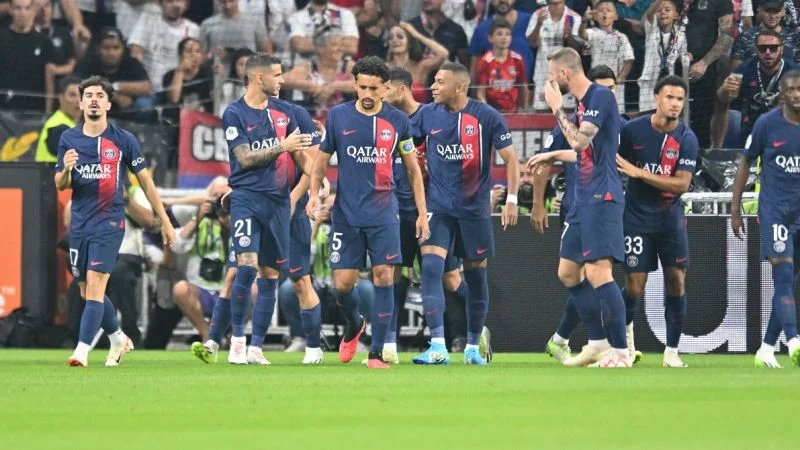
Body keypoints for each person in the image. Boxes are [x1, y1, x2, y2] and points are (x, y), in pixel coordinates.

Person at [306, 56, 429, 369]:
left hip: (384, 213)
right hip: (347, 214)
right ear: (355, 84)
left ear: (386, 88)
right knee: (342, 284)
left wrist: (422, 212)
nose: (367, 94)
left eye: (374, 88)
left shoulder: (399, 122)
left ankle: (376, 353)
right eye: (362, 87)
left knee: (385, 274)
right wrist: (313, 195)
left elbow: (413, 170)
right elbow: (321, 161)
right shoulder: (338, 116)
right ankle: (355, 323)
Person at [56, 75, 176, 367]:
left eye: (100, 96)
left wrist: (164, 221)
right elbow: (60, 184)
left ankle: (82, 350)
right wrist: (67, 170)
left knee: (96, 284)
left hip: (109, 223)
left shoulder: (123, 140)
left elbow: (146, 182)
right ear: (81, 103)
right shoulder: (68, 139)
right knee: (86, 290)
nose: (94, 100)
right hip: (80, 225)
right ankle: (118, 337)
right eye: (89, 96)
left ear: (108, 104)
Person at [410, 61, 519, 366]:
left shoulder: (487, 116)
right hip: (438, 207)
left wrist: (511, 199)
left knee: (476, 274)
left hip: (474, 210)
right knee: (431, 268)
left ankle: (472, 347)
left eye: (439, 82)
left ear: (459, 87)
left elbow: (511, 159)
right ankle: (437, 346)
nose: (433, 87)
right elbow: (406, 144)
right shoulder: (427, 114)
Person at [207, 53, 313, 366]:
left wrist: (318, 180)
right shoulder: (234, 113)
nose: (282, 80)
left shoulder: (285, 112)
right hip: (246, 198)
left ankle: (256, 347)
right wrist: (282, 146)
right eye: (277, 75)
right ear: (258, 77)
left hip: (278, 202)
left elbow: (300, 155)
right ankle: (237, 342)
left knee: (270, 275)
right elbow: (244, 157)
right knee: (246, 266)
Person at [382, 66, 487, 362]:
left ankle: (478, 328)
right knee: (391, 273)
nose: (381, 95)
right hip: (398, 210)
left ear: (402, 89)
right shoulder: (388, 124)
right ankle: (389, 345)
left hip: (430, 211)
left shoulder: (431, 116)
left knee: (450, 278)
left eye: (386, 89)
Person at [528, 65, 631, 365]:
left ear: (564, 72)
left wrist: (556, 108)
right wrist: (552, 155)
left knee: (599, 273)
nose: (549, 80)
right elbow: (583, 152)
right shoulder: (584, 106)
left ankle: (620, 352)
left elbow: (580, 142)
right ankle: (597, 343)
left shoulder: (600, 96)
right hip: (580, 201)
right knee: (568, 272)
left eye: (551, 73)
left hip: (601, 197)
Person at [615, 76, 698, 368]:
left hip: (670, 221)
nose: (675, 104)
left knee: (676, 282)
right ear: (656, 99)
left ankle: (671, 352)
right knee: (634, 287)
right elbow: (614, 163)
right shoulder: (632, 131)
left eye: (680, 99)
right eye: (670, 97)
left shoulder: (686, 139)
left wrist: (640, 173)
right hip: (636, 219)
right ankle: (622, 343)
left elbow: (682, 184)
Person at [731, 70, 800, 369]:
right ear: (782, 93)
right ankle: (794, 342)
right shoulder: (767, 124)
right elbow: (745, 161)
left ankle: (766, 348)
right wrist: (735, 209)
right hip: (775, 213)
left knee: (791, 281)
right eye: (791, 89)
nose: (796, 94)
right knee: (783, 275)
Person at [715, 29, 799, 148]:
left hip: (785, 126)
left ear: (781, 49)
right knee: (732, 115)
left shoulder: (795, 72)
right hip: (751, 126)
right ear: (756, 50)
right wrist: (725, 90)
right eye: (762, 48)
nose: (768, 52)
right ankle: (719, 151)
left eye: (773, 48)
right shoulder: (744, 69)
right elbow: (724, 100)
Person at [172, 178, 232, 343]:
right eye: (215, 196)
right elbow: (176, 245)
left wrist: (228, 221)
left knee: (253, 289)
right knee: (180, 289)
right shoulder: (197, 216)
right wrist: (197, 218)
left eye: (223, 196)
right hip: (200, 289)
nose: (218, 201)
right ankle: (206, 333)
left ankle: (234, 335)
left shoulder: (237, 219)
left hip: (228, 289)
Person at [578, 0, 634, 113]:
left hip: (615, 86)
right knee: (596, 113)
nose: (605, 13)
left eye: (609, 10)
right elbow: (582, 34)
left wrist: (620, 79)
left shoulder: (622, 37)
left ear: (616, 16)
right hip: (596, 83)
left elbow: (628, 60)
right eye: (601, 11)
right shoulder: (593, 33)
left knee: (616, 113)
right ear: (595, 16)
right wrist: (584, 20)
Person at [526, 0, 582, 111]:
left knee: (567, 112)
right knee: (542, 112)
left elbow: (576, 48)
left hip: (565, 74)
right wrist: (539, 25)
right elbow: (532, 43)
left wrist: (570, 36)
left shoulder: (574, 17)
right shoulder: (538, 14)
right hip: (543, 73)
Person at [635, 0, 686, 113]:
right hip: (649, 84)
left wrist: (687, 56)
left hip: (669, 83)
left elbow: (683, 56)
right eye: (659, 10)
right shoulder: (651, 30)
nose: (663, 12)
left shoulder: (680, 36)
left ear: (676, 15)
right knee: (648, 116)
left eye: (667, 10)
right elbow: (649, 14)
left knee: (666, 114)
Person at [386, 22, 450, 102]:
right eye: (390, 38)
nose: (394, 40)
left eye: (400, 37)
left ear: (409, 43)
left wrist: (416, 35)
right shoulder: (384, 68)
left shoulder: (420, 67)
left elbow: (443, 53)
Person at [476, 19, 529, 112]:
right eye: (499, 34)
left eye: (507, 34)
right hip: (493, 111)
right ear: (490, 38)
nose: (504, 37)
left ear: (511, 38)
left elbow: (523, 87)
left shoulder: (517, 59)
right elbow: (480, 92)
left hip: (513, 111)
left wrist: (525, 111)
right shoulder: (485, 61)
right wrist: (488, 113)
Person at [36, 76, 81, 163]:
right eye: (72, 95)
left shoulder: (72, 125)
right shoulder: (58, 127)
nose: (78, 100)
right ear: (61, 98)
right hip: (50, 172)